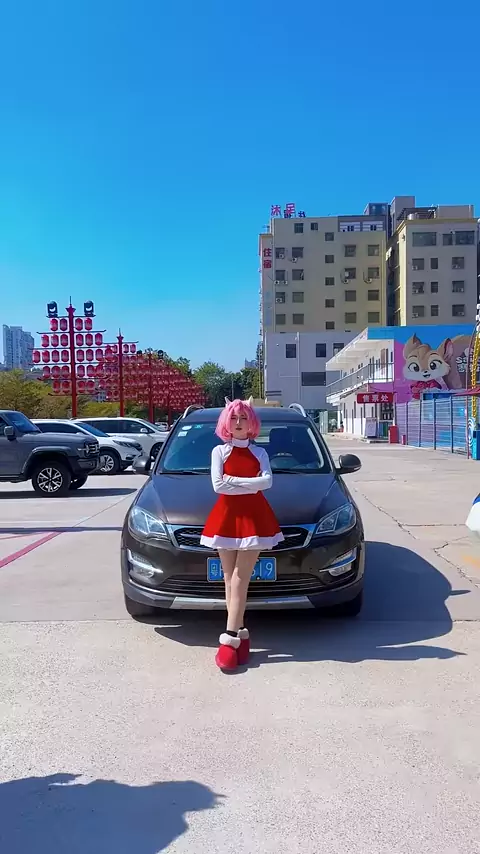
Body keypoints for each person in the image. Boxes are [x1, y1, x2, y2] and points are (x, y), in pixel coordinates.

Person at [201, 397, 284, 670]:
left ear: (252, 423)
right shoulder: (218, 451)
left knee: (239, 578)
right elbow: (217, 486)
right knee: (228, 578)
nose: (238, 423)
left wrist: (233, 482)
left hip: (254, 518)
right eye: (234, 418)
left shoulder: (260, 453)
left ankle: (229, 639)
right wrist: (250, 484)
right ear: (226, 422)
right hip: (225, 517)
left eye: (244, 418)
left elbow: (267, 482)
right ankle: (241, 635)